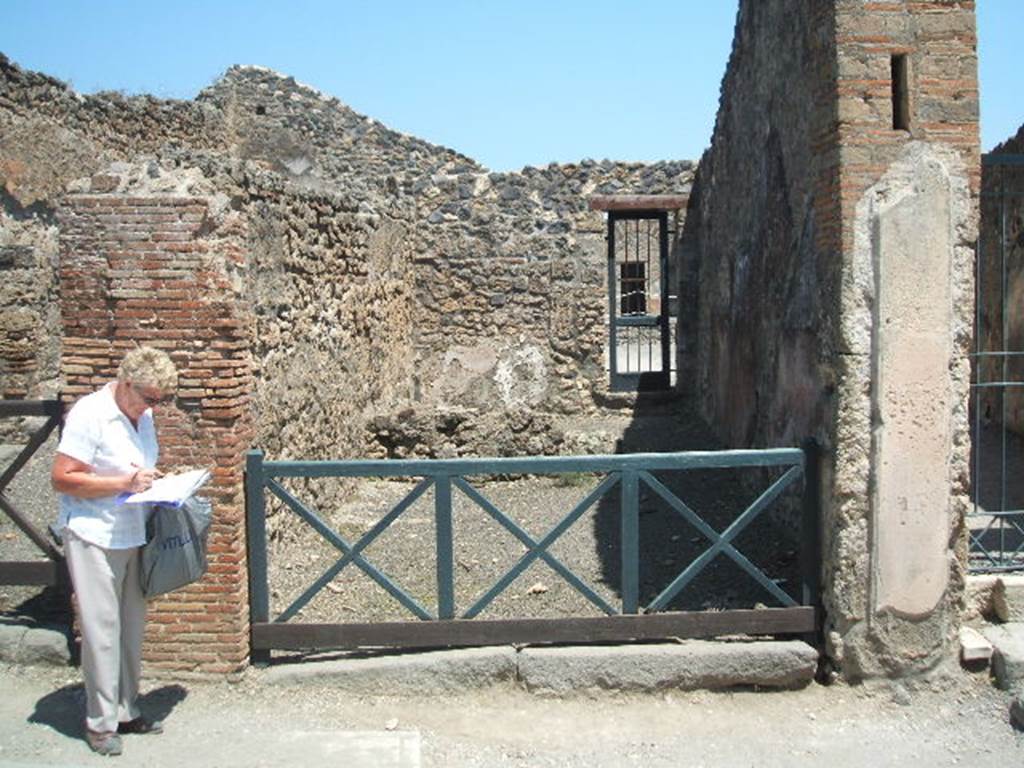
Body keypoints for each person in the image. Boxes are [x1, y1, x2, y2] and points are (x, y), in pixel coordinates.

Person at [51, 346, 178, 756]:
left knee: (130, 628)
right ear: (126, 385)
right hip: (93, 535)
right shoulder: (90, 415)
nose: (152, 408)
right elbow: (63, 477)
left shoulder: (143, 414)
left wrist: (155, 482)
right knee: (101, 631)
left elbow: (138, 467)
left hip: (131, 532)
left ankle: (126, 708)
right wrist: (123, 483)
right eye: (149, 398)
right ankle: (100, 722)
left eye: (159, 401)